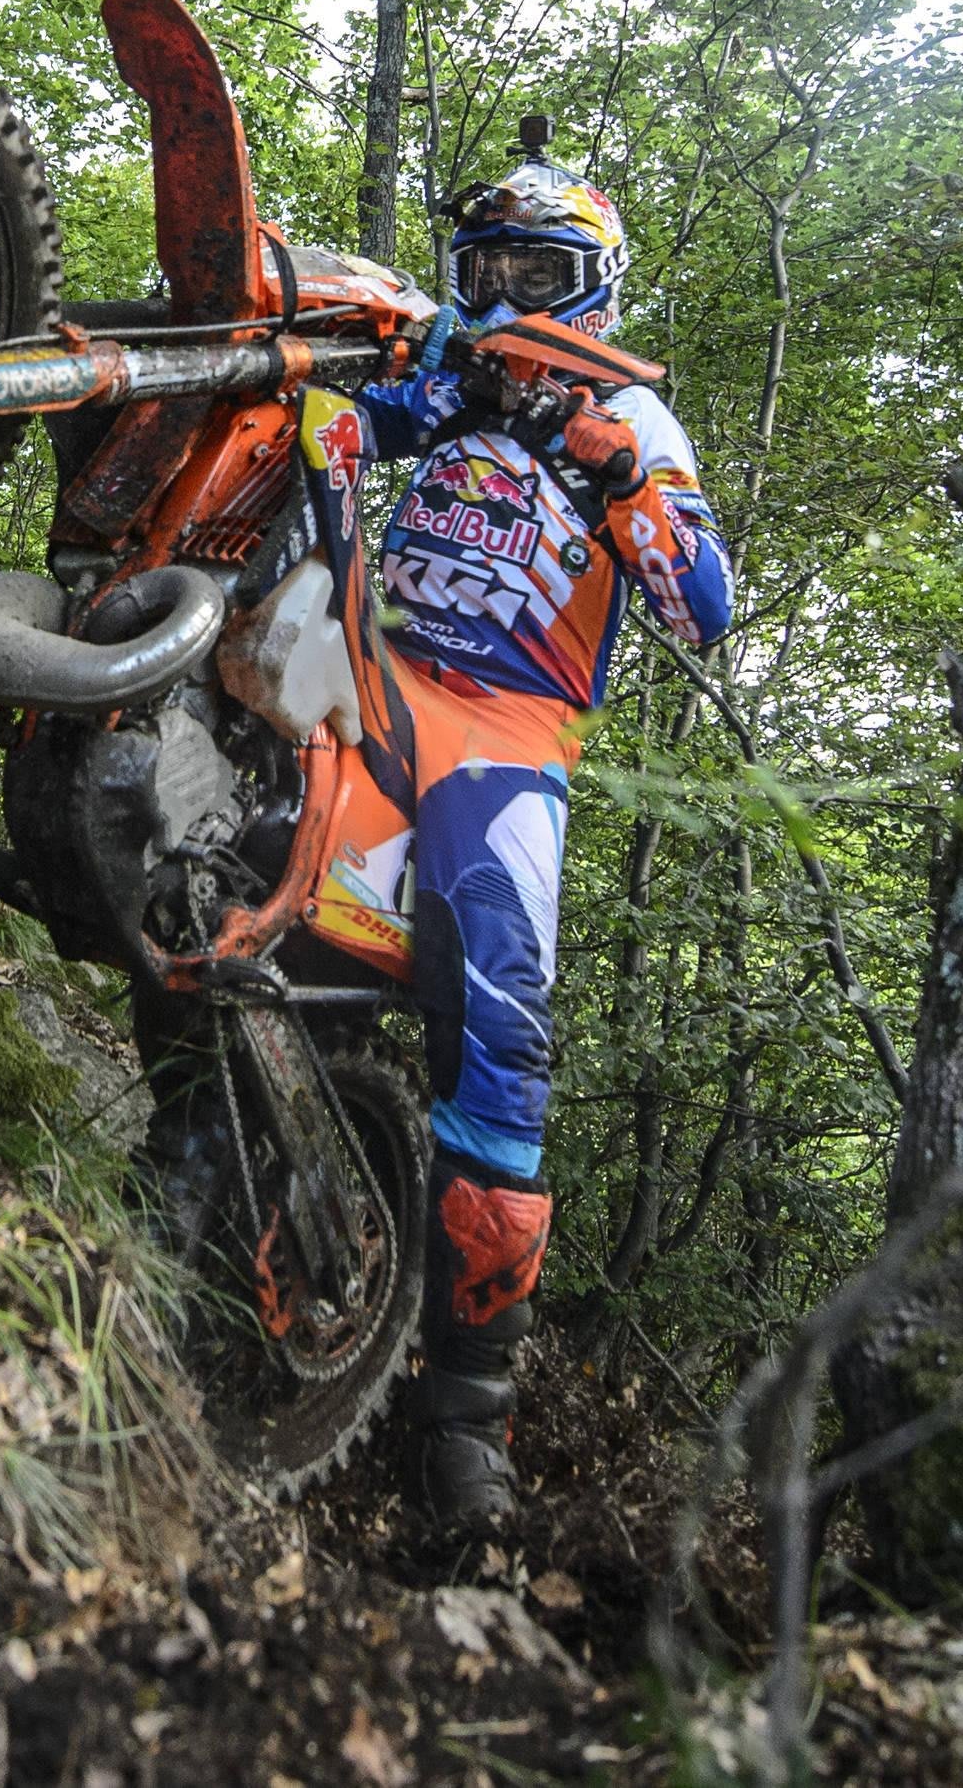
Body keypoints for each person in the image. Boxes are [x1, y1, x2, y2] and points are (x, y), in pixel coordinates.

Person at [353, 127, 736, 1536]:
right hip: (369, 665)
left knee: (503, 1027)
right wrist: (375, 380)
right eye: (490, 266)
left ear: (593, 288)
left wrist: (613, 469)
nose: (508, 291)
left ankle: (466, 1425)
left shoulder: (646, 424)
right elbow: (340, 422)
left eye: (537, 269)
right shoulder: (454, 376)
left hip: (508, 736)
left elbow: (705, 606)